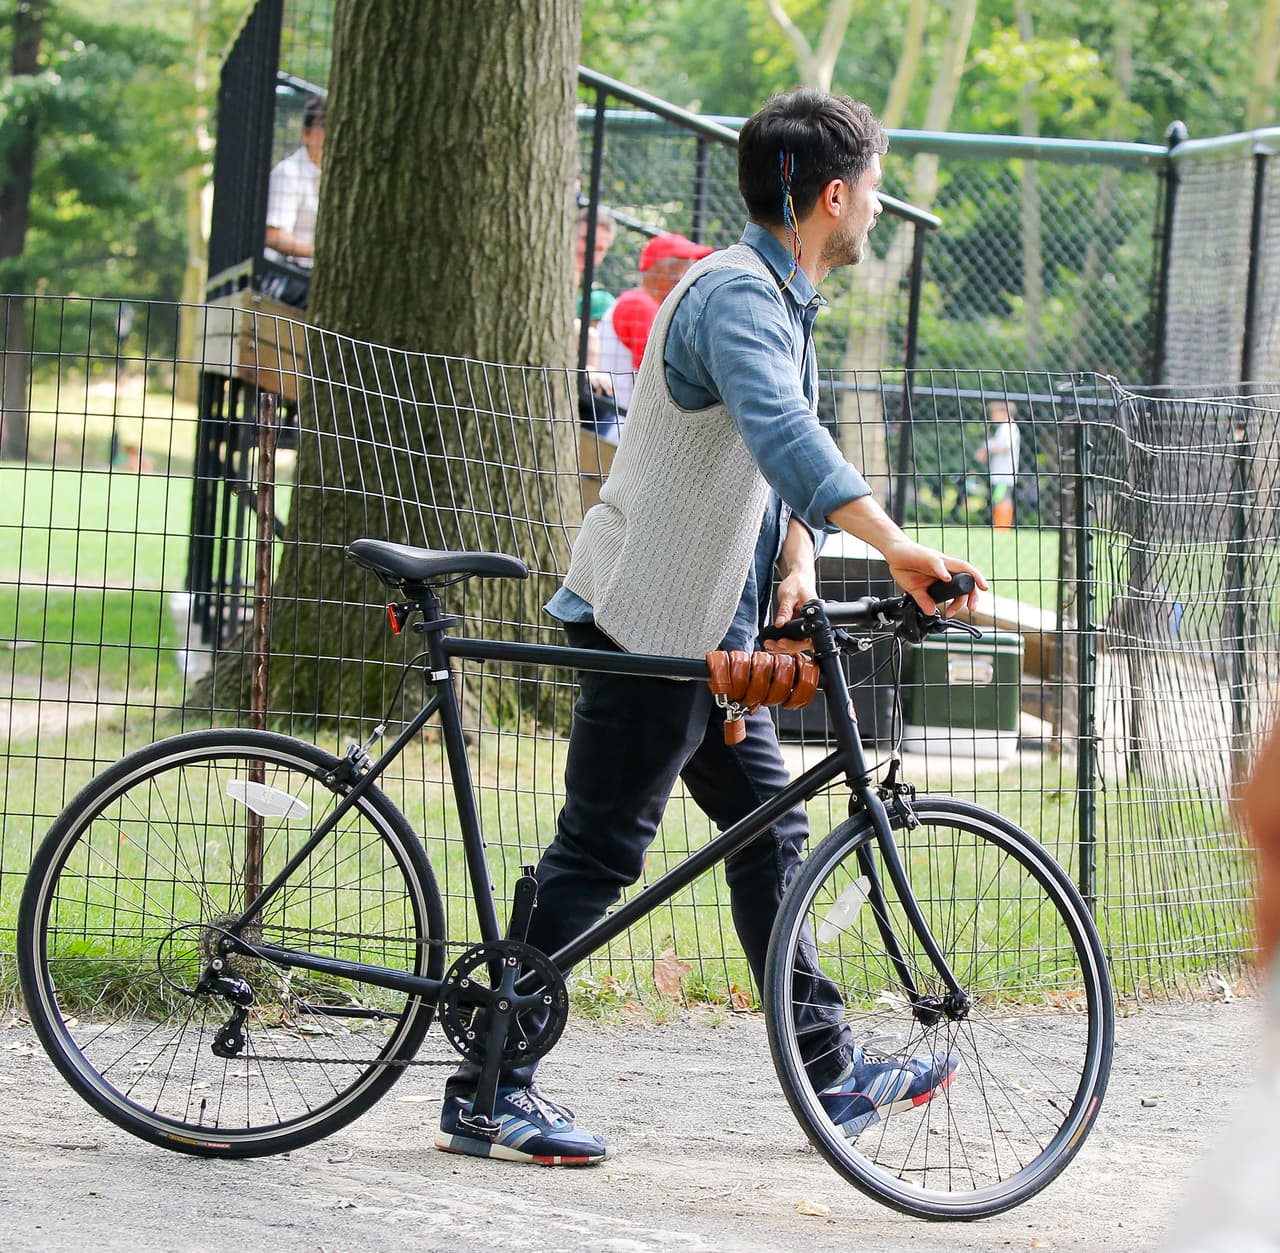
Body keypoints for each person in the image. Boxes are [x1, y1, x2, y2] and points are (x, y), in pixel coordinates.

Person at [435, 87, 986, 1167]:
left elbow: (760, 456)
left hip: (715, 634)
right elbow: (780, 428)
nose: (875, 204)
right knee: (599, 851)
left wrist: (789, 557)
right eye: (871, 185)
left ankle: (827, 1065)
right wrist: (895, 545)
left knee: (772, 835)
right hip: (651, 619)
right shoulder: (735, 293)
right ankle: (484, 1085)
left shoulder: (779, 298)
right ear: (833, 194)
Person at [596, 232, 713, 426]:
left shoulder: (643, 303)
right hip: (621, 423)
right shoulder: (639, 304)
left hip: (622, 419)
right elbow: (655, 373)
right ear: (661, 268)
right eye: (684, 263)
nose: (689, 272)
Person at [262, 95, 325, 302]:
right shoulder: (288, 172)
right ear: (306, 134)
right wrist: (322, 253)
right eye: (323, 126)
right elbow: (273, 235)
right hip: (287, 276)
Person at [975, 399, 1020, 529]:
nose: (992, 417)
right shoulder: (1004, 428)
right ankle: (1000, 525)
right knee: (1000, 498)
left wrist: (988, 448)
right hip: (1000, 473)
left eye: (994, 413)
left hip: (1004, 473)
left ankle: (1002, 526)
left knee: (1002, 499)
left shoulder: (1008, 427)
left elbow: (1007, 447)